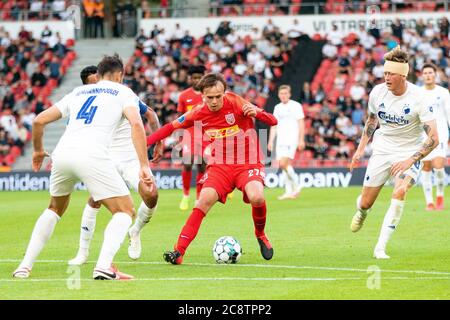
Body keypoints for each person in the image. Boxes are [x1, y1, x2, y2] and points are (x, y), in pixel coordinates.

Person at [12, 54, 154, 280]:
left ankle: (24, 266)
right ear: (120, 74)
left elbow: (39, 120)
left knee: (54, 209)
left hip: (62, 154)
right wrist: (144, 165)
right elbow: (137, 123)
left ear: (98, 74)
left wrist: (38, 151)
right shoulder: (123, 92)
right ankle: (104, 266)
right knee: (125, 211)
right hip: (93, 154)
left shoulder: (78, 92)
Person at [147, 73, 278, 264]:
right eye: (210, 97)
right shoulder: (198, 113)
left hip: (247, 161)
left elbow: (273, 121)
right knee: (202, 201)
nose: (215, 101)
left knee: (257, 196)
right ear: (202, 96)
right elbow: (170, 127)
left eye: (219, 96)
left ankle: (260, 234)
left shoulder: (236, 102)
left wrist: (258, 113)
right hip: (221, 164)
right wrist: (147, 142)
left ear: (225, 93)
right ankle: (179, 252)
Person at [349, 46, 438, 259]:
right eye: (385, 73)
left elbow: (434, 139)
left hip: (409, 151)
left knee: (400, 191)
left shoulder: (419, 98)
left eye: (391, 74)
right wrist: (360, 150)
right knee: (365, 202)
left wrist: (410, 160)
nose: (386, 77)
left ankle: (380, 247)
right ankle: (362, 212)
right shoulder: (378, 93)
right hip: (382, 149)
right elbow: (372, 121)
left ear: (403, 75)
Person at [68, 65, 163, 266]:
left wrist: (158, 140)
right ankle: (82, 253)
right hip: (104, 159)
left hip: (130, 159)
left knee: (151, 194)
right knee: (94, 199)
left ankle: (135, 230)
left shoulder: (122, 94)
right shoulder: (83, 102)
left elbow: (150, 114)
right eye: (94, 82)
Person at [419, 63, 450, 211]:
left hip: (441, 135)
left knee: (438, 167)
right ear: (422, 75)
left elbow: (449, 114)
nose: (428, 75)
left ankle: (439, 195)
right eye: (425, 73)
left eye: (430, 72)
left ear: (435, 74)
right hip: (423, 136)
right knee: (425, 167)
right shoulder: (418, 94)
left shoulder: (443, 93)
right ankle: (429, 202)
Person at [177, 65, 207, 211]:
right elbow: (181, 117)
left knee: (202, 164)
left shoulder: (208, 95)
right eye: (194, 78)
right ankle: (185, 196)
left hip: (205, 133)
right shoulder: (184, 96)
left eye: (199, 77)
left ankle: (198, 197)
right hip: (189, 133)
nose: (196, 80)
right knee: (188, 162)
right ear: (190, 79)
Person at [268, 85, 305, 200]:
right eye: (281, 93)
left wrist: (301, 139)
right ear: (279, 95)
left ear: (289, 94)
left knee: (284, 163)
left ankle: (298, 186)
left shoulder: (296, 106)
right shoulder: (277, 107)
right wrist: (270, 141)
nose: (283, 95)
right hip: (280, 139)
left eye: (285, 93)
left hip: (291, 138)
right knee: (283, 165)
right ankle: (289, 191)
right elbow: (274, 125)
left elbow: (301, 123)